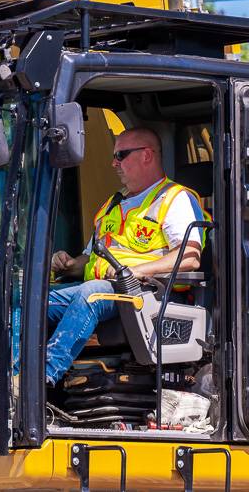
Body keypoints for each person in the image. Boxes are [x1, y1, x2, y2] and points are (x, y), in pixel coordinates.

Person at [46, 127, 209, 385]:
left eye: (120, 155)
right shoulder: (113, 205)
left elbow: (189, 258)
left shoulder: (174, 199)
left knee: (91, 294)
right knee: (27, 299)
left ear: (146, 155)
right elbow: (91, 258)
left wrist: (138, 271)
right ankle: (16, 376)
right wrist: (68, 264)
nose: (113, 163)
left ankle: (43, 377)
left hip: (146, 293)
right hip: (106, 289)